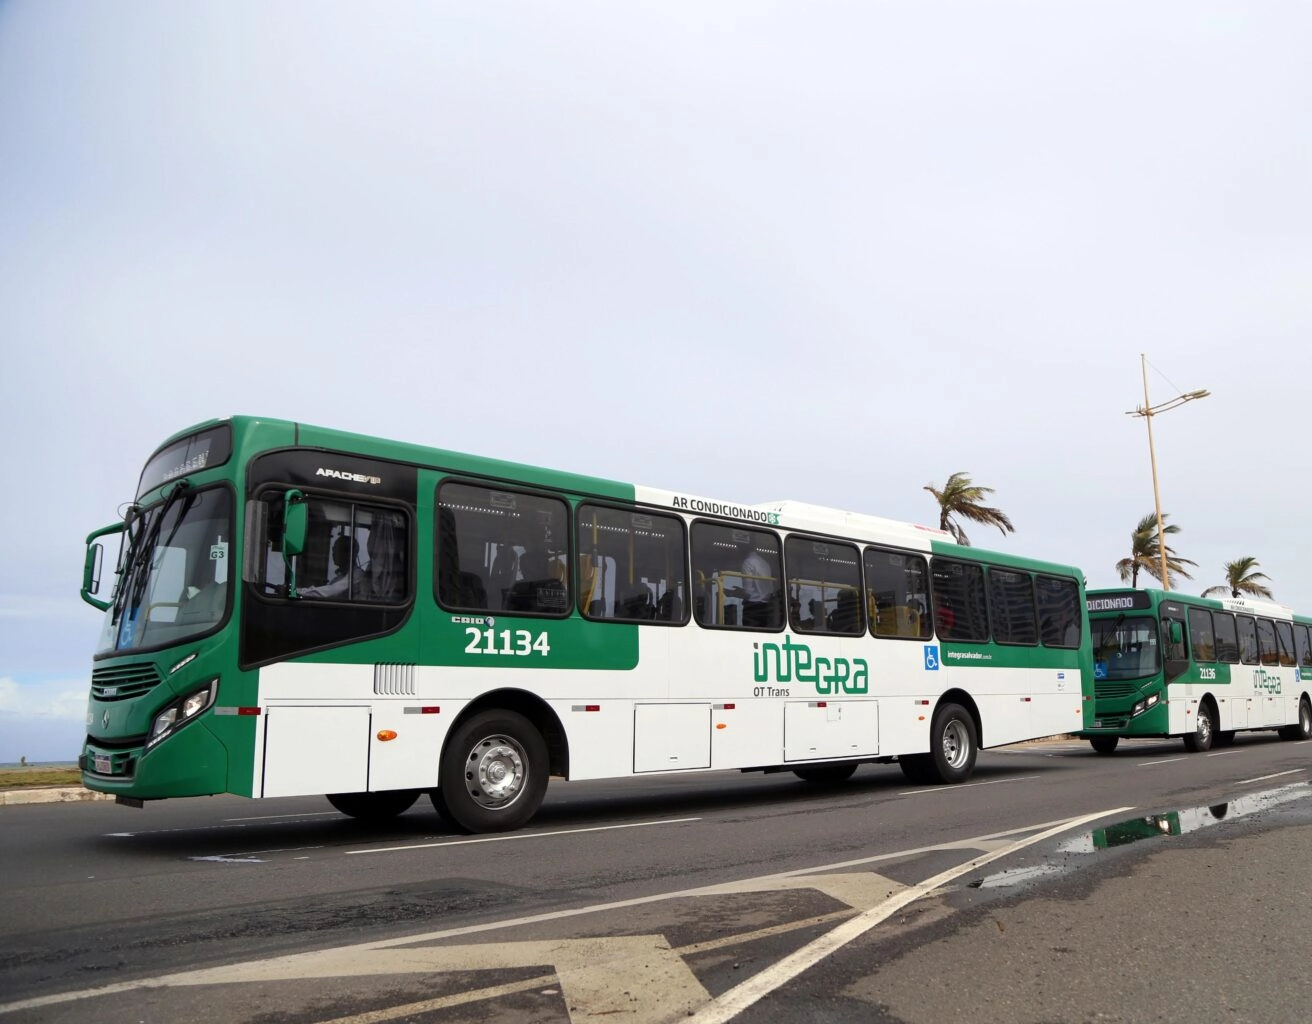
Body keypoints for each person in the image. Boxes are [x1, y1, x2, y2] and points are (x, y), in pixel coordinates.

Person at [739, 544, 775, 627]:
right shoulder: (765, 563)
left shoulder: (747, 562)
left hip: (752, 607)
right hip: (765, 607)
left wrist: (733, 593)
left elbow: (747, 592)